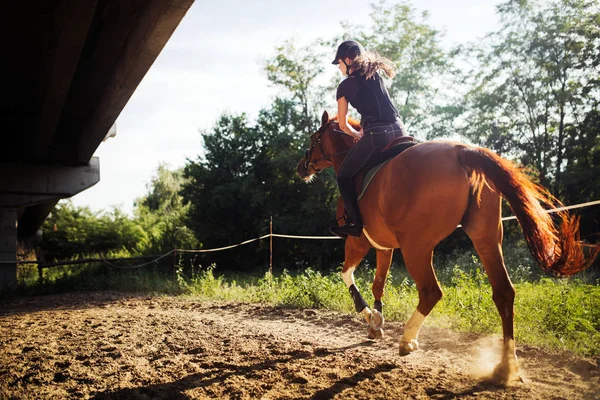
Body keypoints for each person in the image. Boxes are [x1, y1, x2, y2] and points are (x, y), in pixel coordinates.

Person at [329, 40, 407, 238]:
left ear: (347, 60)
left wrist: (357, 134)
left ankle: (355, 223)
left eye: (338, 63)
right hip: (400, 130)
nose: (339, 67)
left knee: (344, 176)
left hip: (376, 136)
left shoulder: (345, 86)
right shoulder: (375, 75)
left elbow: (342, 125)